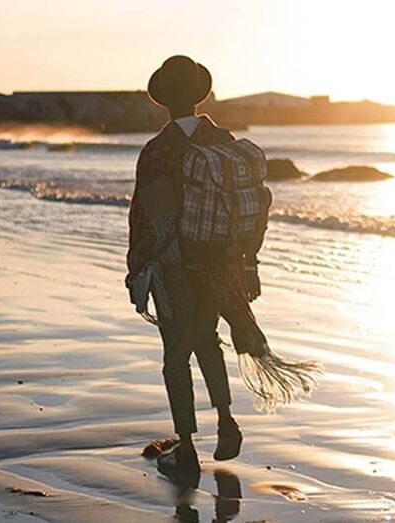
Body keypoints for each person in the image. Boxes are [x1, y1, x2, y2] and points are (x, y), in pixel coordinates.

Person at [126, 56, 259, 471]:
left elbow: (145, 216)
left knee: (175, 354)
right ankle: (226, 421)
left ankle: (185, 446)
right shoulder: (223, 141)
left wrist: (136, 267)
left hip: (174, 266)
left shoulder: (158, 151)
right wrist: (248, 265)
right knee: (207, 340)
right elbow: (245, 204)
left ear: (164, 101)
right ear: (200, 96)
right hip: (219, 263)